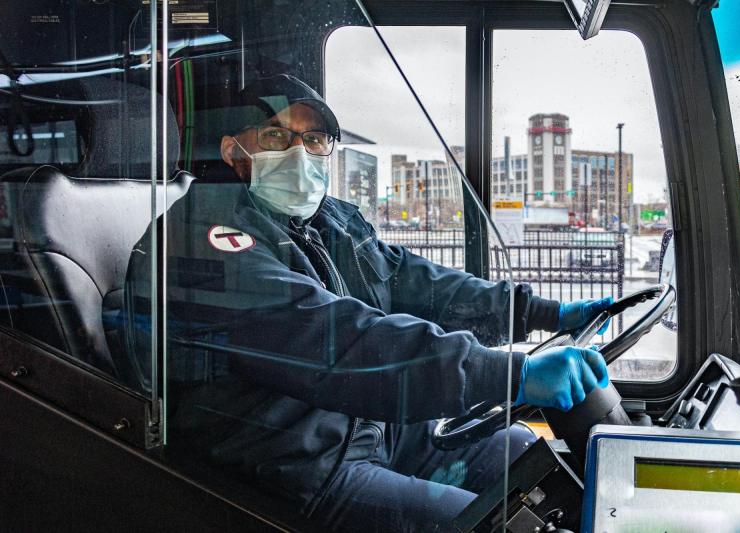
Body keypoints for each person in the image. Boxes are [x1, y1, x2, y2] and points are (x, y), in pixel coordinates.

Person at [120, 74, 613, 531]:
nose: (300, 153)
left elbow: (419, 283)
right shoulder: (200, 237)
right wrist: (508, 373)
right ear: (234, 151)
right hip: (291, 460)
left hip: (363, 428)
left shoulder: (326, 222)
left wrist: (543, 312)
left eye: (314, 139)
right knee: (496, 524)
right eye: (276, 137)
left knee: (531, 460)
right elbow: (337, 341)